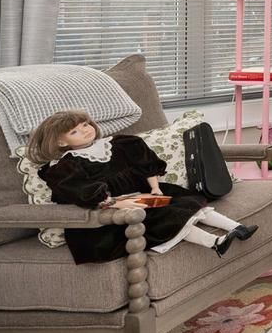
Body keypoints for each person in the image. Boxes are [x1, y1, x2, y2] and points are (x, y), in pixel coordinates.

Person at [29, 110, 257, 264]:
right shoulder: (65, 165)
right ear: (61, 142)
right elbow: (82, 192)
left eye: (86, 124)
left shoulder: (117, 144)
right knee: (168, 216)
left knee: (184, 203)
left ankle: (237, 228)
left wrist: (155, 188)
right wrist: (116, 203)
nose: (86, 129)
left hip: (143, 196)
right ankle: (215, 242)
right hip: (112, 211)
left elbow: (146, 164)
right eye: (75, 131)